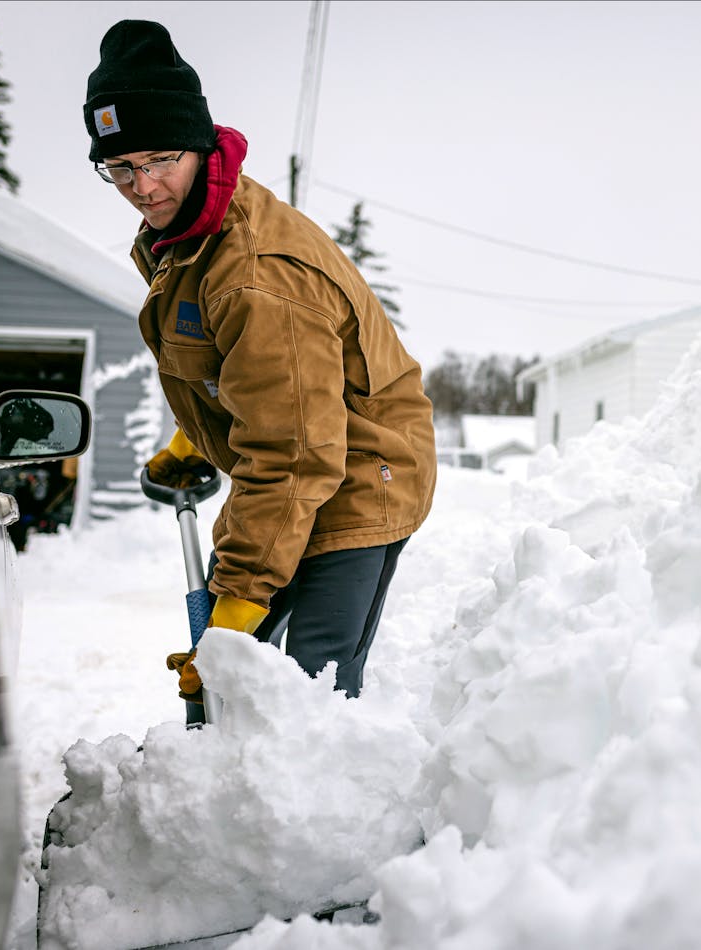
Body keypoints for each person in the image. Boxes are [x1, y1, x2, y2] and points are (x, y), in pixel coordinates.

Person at [81, 20, 436, 720]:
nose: (142, 186)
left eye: (158, 159)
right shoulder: (186, 235)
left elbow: (295, 455)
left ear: (199, 144)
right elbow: (237, 375)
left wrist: (235, 610)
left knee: (310, 696)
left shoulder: (254, 273)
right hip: (296, 461)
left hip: (363, 477)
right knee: (229, 677)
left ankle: (333, 815)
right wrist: (195, 440)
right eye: (119, 168)